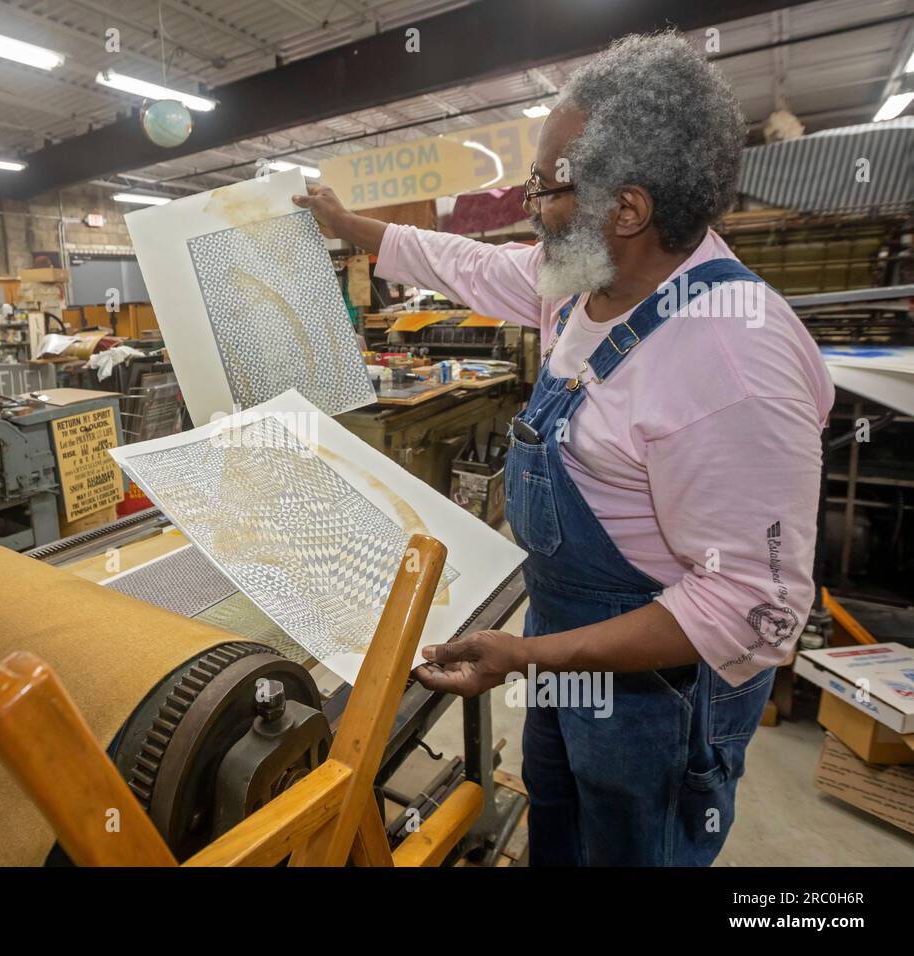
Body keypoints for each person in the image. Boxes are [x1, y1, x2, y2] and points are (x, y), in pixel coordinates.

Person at [294, 31, 834, 866]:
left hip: (659, 694)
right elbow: (463, 261)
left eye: (546, 187)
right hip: (563, 642)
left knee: (630, 846)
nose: (526, 206)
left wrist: (527, 655)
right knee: (560, 827)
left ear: (627, 209)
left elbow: (753, 611)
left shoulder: (734, 364)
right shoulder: (586, 281)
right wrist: (345, 224)